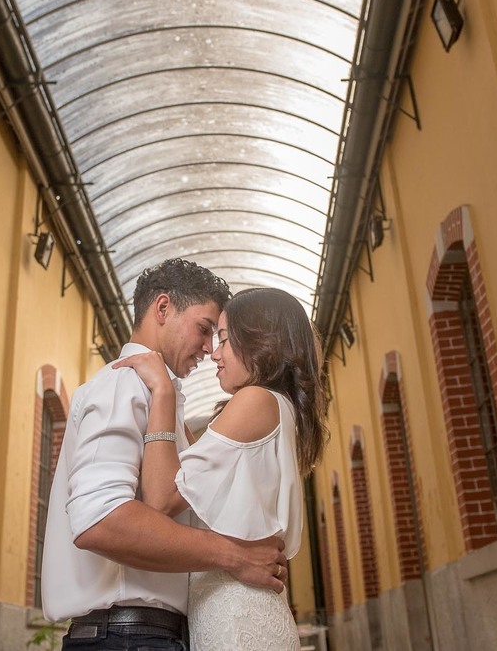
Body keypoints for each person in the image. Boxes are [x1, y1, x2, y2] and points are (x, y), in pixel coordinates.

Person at [41, 259, 290, 650]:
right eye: (204, 329)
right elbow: (100, 519)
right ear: (162, 308)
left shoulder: (161, 397)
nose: (209, 349)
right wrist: (235, 556)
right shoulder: (125, 385)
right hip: (125, 637)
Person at [115, 287, 328, 650]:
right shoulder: (276, 407)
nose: (214, 353)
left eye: (225, 339)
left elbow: (162, 498)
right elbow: (196, 476)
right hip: (239, 611)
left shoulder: (255, 400)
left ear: (261, 343)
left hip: (237, 618)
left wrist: (163, 392)